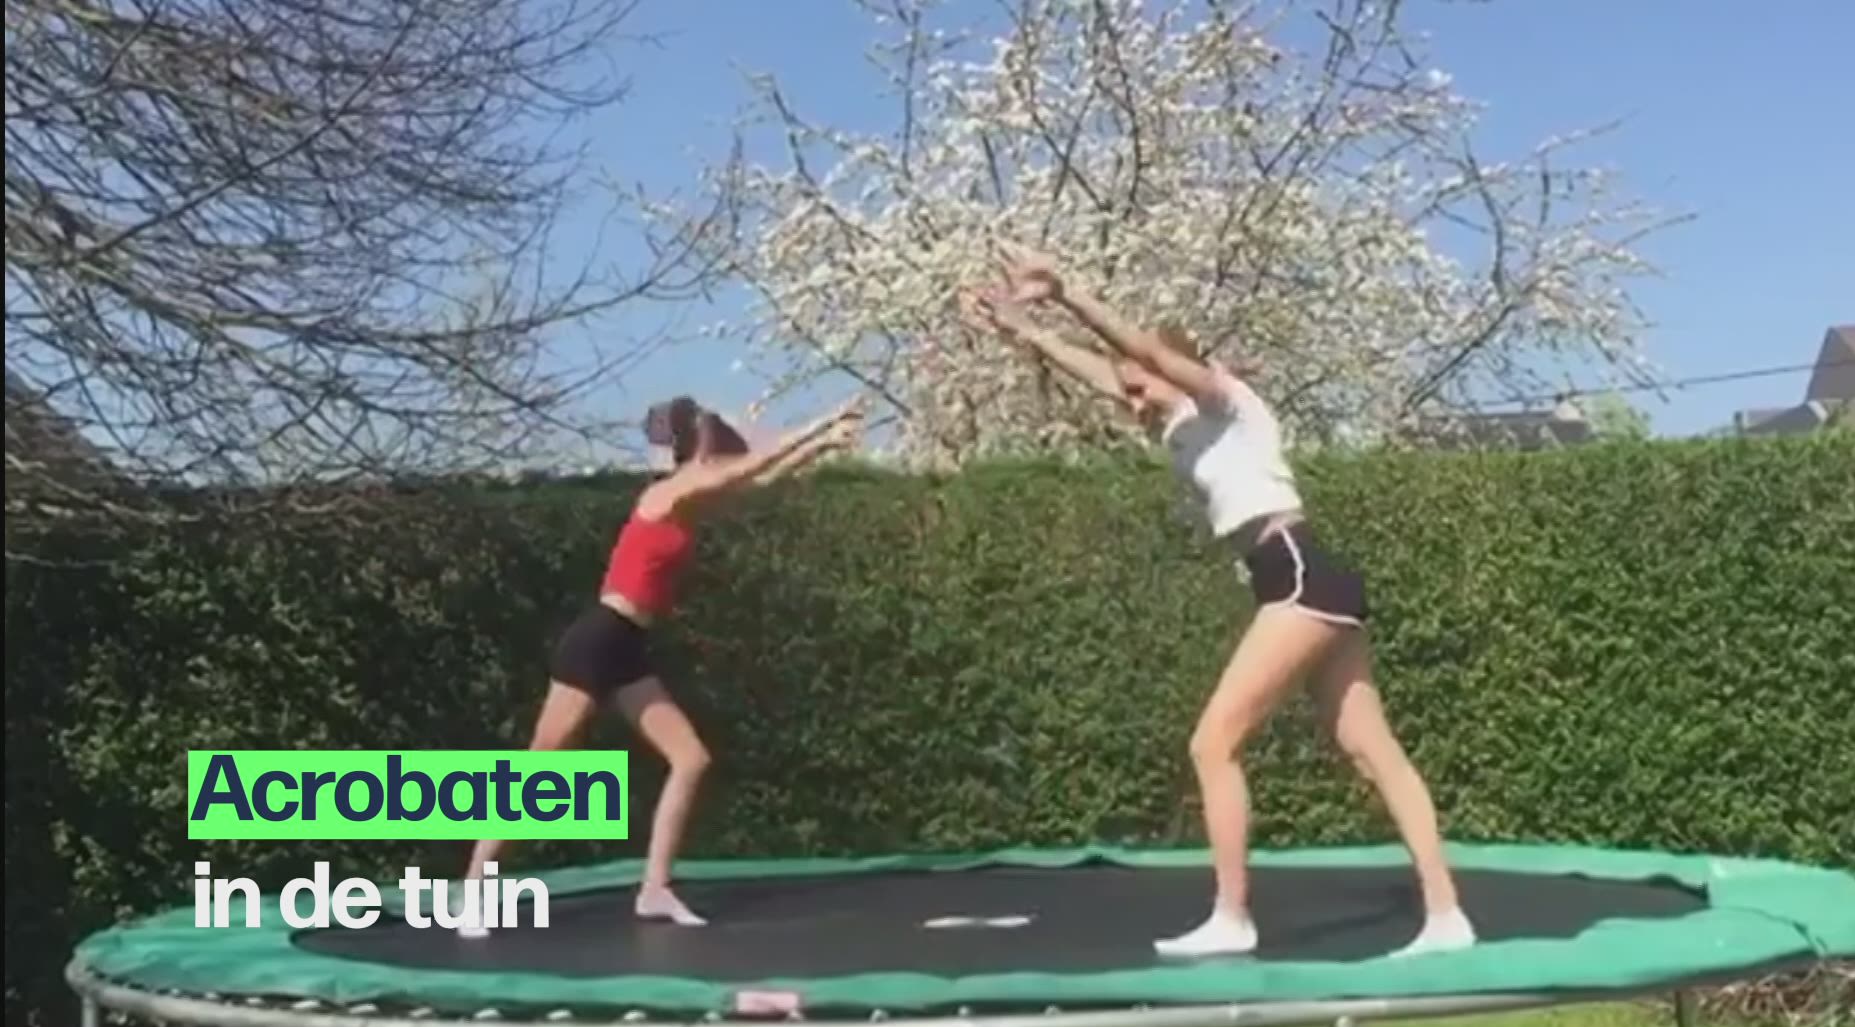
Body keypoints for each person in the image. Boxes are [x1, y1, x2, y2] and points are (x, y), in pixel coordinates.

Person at [959, 246, 1475, 959]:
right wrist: (1024, 328)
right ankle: (1446, 914)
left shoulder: (1228, 403)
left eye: (1141, 388)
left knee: (1213, 743)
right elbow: (1105, 372)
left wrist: (1069, 292)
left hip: (1297, 574)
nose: (1132, 402)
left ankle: (1233, 917)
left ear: (1175, 370)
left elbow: (1142, 352)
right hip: (1305, 580)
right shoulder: (1180, 429)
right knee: (1370, 750)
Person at [456, 395, 865, 936]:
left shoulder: (690, 497)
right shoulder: (667, 492)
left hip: (626, 646)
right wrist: (821, 421)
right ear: (693, 445)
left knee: (691, 759)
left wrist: (824, 445)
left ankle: (655, 888)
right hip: (597, 640)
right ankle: (473, 891)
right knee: (540, 768)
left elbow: (759, 480)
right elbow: (751, 466)